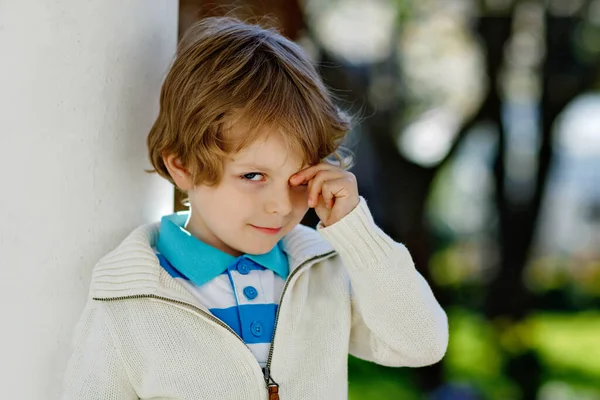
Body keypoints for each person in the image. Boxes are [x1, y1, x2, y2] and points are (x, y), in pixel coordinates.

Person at [62, 16, 448, 400]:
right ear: (183, 166)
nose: (281, 206)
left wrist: (357, 231)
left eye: (298, 178)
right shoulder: (127, 294)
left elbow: (420, 344)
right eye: (252, 176)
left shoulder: (322, 269)